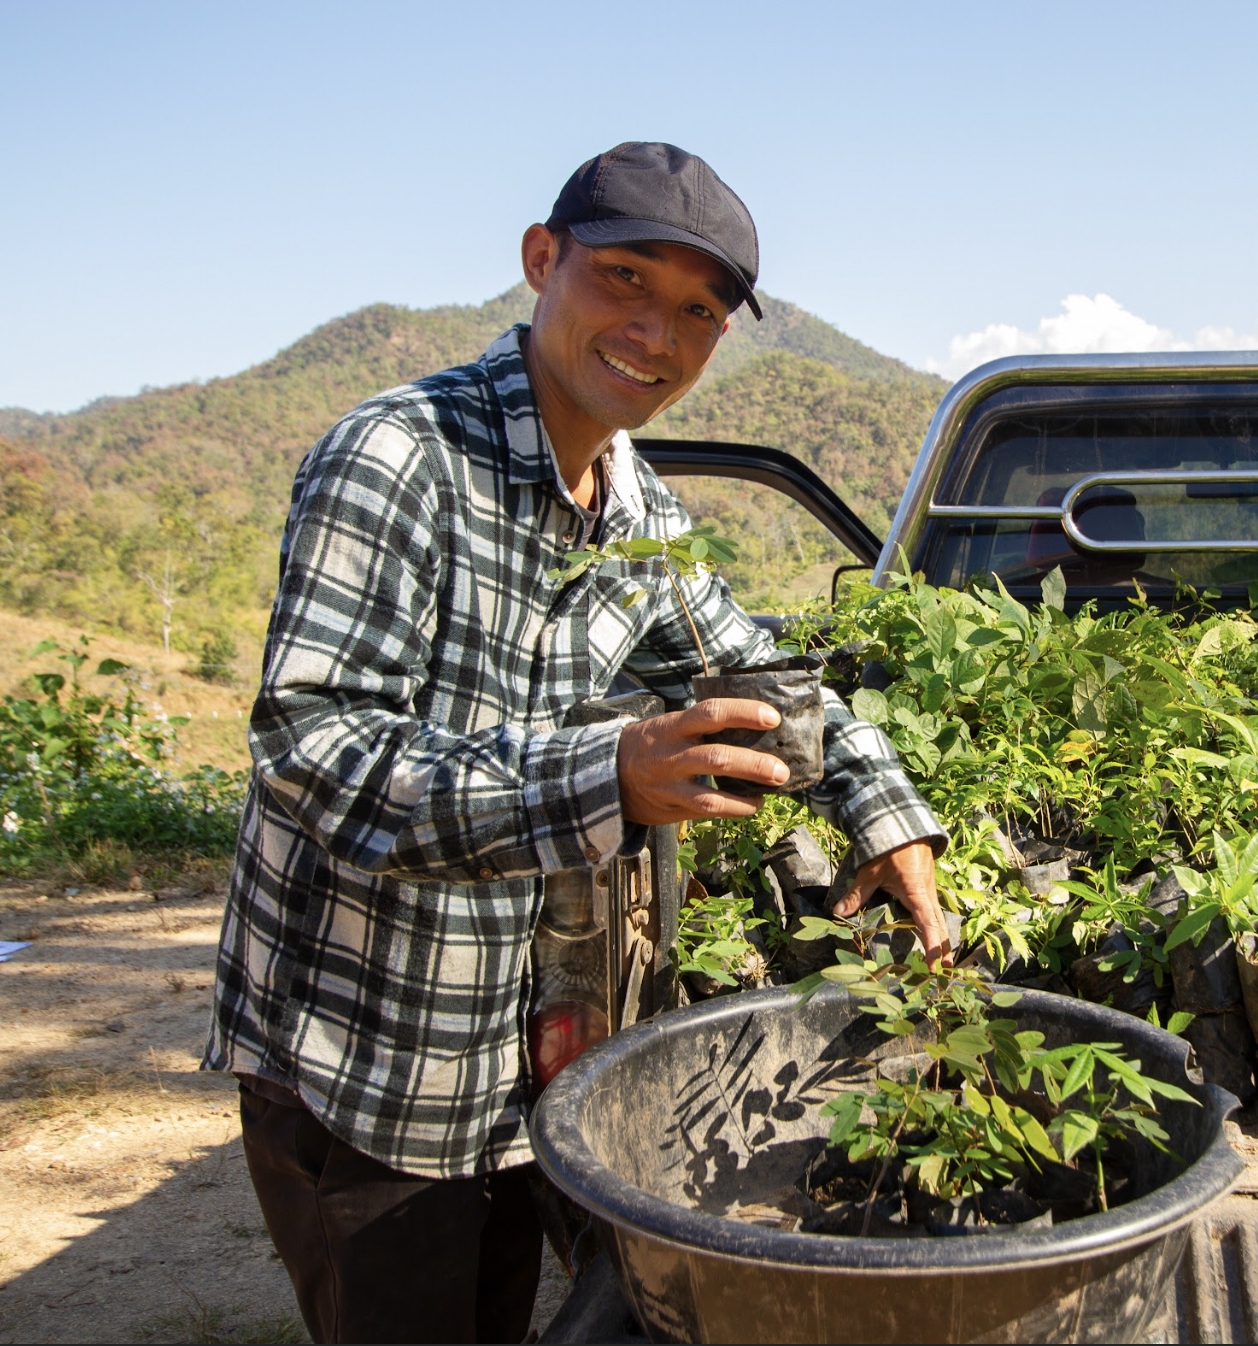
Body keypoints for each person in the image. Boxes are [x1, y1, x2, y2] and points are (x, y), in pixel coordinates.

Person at [204, 141, 949, 1344]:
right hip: (371, 1055)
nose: (656, 334)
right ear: (542, 261)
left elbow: (755, 669)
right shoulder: (399, 459)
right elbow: (314, 747)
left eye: (698, 312)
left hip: (519, 1045)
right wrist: (605, 773)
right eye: (625, 282)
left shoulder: (638, 503)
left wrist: (885, 809)